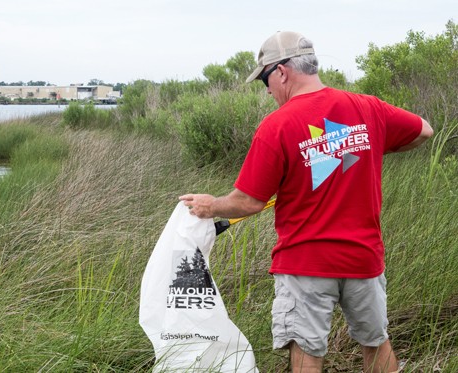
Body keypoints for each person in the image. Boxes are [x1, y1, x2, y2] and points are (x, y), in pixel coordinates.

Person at [179, 31, 433, 373]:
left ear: (282, 72)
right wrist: (370, 146)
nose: (267, 90)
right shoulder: (367, 107)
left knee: (306, 351)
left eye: (265, 80)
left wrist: (211, 206)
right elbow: (424, 131)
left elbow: (249, 202)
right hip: (363, 257)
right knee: (376, 342)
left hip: (305, 263)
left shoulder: (277, 125)